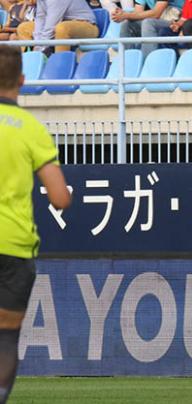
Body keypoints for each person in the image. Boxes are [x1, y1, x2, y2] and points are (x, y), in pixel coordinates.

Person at [0, 44, 71, 404]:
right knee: (6, 336)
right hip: (13, 246)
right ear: (22, 81)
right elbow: (59, 198)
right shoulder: (31, 129)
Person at [16, 0, 98, 54]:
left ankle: (59, 65)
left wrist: (40, 47)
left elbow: (51, 25)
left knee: (61, 28)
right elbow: (41, 18)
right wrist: (37, 44)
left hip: (88, 26)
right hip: (62, 23)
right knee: (23, 28)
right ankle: (30, 62)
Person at [112, 0, 184, 56]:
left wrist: (126, 15)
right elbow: (137, 14)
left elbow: (156, 14)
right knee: (127, 24)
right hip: (160, 19)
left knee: (148, 23)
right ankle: (127, 61)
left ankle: (147, 62)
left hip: (178, 21)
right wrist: (122, 14)